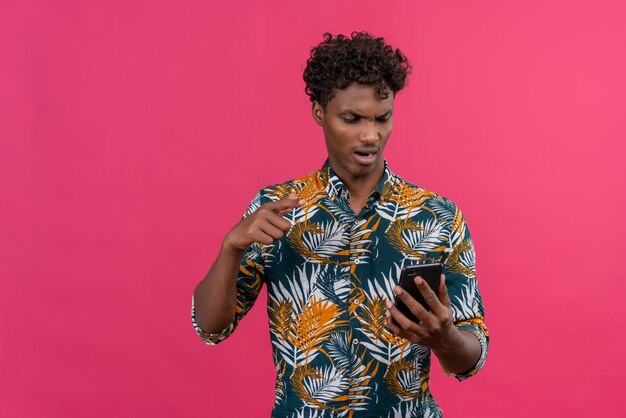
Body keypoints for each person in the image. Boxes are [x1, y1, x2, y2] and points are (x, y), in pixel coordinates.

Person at [192, 31, 489, 418]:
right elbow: (210, 327)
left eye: (382, 118)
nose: (371, 135)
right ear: (319, 112)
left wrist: (444, 337)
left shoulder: (438, 216)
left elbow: (471, 357)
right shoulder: (276, 209)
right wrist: (230, 248)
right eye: (352, 119)